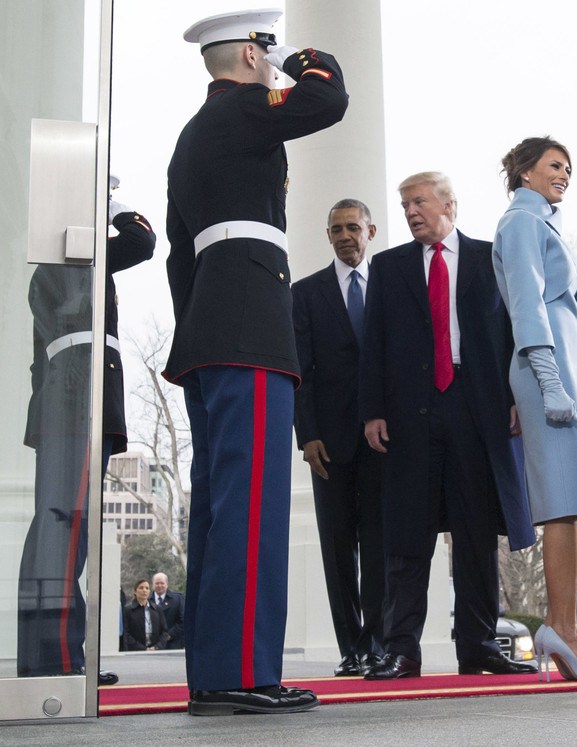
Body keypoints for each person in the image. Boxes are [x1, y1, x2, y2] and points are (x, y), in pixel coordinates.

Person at [163, 9, 348, 715]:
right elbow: (326, 96)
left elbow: (182, 256)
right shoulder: (243, 106)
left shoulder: (189, 138)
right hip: (249, 324)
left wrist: (200, 327)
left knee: (216, 507)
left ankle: (215, 673)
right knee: (252, 506)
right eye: (268, 54)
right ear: (249, 52)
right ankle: (243, 670)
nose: (275, 66)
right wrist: (308, 57)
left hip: (211, 327)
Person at [359, 171, 537, 680]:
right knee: (407, 533)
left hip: (476, 407)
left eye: (418, 201)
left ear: (449, 205)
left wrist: (516, 398)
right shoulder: (389, 267)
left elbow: (509, 333)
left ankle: (479, 645)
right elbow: (375, 344)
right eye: (404, 204)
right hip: (409, 413)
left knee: (476, 532)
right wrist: (372, 409)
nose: (410, 211)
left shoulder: (488, 258)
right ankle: (402, 649)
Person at [17, 184, 155, 687]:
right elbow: (142, 240)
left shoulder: (58, 271)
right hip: (78, 397)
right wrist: (110, 199)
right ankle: (56, 657)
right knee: (64, 529)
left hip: (68, 401)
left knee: (63, 531)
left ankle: (54, 655)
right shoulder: (73, 263)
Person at [492, 137, 577, 682]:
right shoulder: (520, 223)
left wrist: (574, 390)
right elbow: (526, 307)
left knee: (571, 506)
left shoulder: (543, 224)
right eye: (553, 165)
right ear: (523, 173)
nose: (564, 174)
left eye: (569, 167)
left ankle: (562, 629)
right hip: (544, 372)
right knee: (560, 502)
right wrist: (550, 384)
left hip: (562, 374)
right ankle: (562, 630)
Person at [292, 199, 385, 677]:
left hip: (382, 442)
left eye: (353, 227)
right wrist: (306, 435)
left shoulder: (389, 287)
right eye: (336, 229)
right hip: (328, 444)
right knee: (336, 547)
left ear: (370, 230)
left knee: (378, 546)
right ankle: (350, 648)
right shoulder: (305, 294)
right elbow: (299, 371)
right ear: (327, 235)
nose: (345, 235)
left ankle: (377, 645)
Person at [123, 579, 170, 651]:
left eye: (147, 588)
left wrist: (157, 647)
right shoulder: (128, 610)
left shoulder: (157, 609)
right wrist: (143, 649)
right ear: (135, 591)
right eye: (141, 588)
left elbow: (164, 632)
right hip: (136, 651)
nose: (144, 590)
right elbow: (126, 633)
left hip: (156, 651)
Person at [152, 572, 185, 650]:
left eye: (162, 583)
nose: (159, 586)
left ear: (167, 584)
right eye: (157, 583)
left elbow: (183, 621)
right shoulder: (147, 600)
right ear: (153, 584)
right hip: (153, 646)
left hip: (173, 644)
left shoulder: (178, 599)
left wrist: (167, 636)